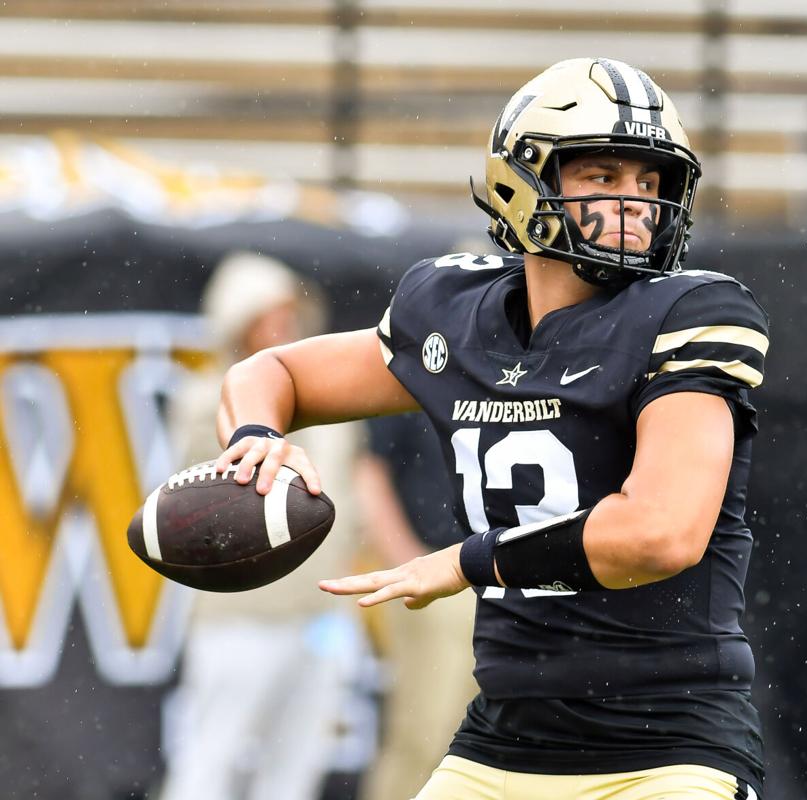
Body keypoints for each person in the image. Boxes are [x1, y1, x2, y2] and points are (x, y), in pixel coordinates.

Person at [213, 57, 770, 799]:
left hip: (667, 745)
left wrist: (468, 562)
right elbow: (271, 373)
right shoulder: (453, 309)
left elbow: (660, 533)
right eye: (604, 177)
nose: (636, 202)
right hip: (504, 741)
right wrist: (255, 435)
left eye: (649, 181)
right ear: (523, 179)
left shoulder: (692, 312)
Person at [161, 251, 366, 800]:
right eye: (267, 315)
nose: (283, 325)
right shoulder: (208, 402)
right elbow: (200, 505)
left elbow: (344, 498)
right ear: (238, 322)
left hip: (320, 613)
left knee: (297, 766)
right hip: (240, 616)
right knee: (212, 759)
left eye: (287, 312)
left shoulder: (332, 395)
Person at [355, 413, 479, 800]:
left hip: (508, 580)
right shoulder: (422, 360)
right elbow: (369, 470)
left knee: (488, 747)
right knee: (427, 736)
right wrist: (406, 562)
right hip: (434, 581)